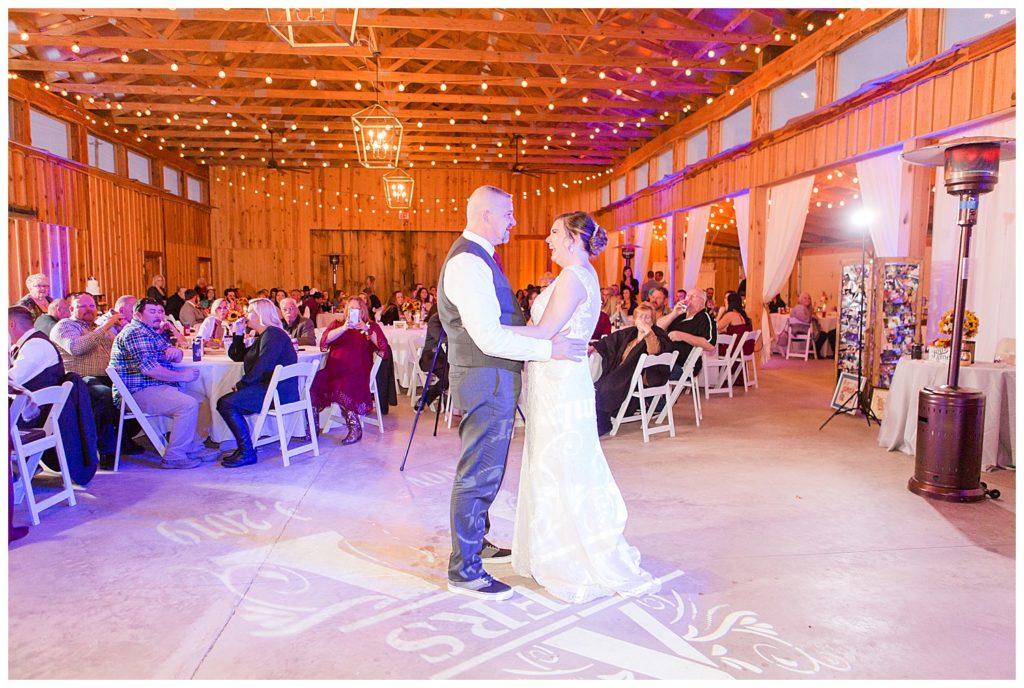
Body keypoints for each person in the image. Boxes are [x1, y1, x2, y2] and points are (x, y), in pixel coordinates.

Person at [437, 186, 586, 601]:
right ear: (486, 215)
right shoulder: (468, 261)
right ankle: (464, 569)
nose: (513, 222)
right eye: (508, 214)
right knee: (478, 472)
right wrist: (546, 349)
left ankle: (477, 543)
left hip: (492, 377)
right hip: (486, 377)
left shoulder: (478, 257)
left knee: (488, 468)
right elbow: (487, 336)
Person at [502, 211, 660, 603]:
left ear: (573, 237)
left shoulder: (573, 278)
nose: (548, 239)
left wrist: (488, 330)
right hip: (556, 379)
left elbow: (542, 332)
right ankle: (546, 548)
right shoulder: (579, 274)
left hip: (559, 384)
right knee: (554, 461)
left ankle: (565, 554)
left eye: (554, 232)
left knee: (561, 465)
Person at [109, 298, 213, 469]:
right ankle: (174, 456)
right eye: (152, 311)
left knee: (202, 399)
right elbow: (150, 370)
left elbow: (178, 355)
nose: (158, 315)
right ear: (138, 315)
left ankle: (192, 447)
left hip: (154, 386)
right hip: (137, 391)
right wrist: (182, 376)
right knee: (187, 404)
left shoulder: (151, 332)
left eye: (160, 311)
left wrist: (175, 352)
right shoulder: (135, 333)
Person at [50, 292, 144, 468]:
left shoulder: (98, 327)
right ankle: (107, 450)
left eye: (92, 306)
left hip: (111, 376)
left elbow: (119, 350)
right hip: (80, 379)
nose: (89, 310)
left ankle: (124, 438)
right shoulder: (64, 326)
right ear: (71, 309)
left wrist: (123, 329)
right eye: (82, 306)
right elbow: (76, 347)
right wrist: (106, 325)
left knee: (138, 390)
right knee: (104, 396)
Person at [215, 298, 299, 468]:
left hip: (276, 392)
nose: (246, 315)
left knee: (225, 403)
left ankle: (247, 451)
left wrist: (242, 385)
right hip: (270, 388)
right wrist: (237, 333)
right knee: (226, 402)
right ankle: (245, 449)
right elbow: (238, 356)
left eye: (250, 311)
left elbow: (264, 365)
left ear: (260, 314)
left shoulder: (273, 335)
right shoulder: (266, 335)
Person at [310, 296, 390, 445]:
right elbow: (324, 340)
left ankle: (355, 427)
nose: (354, 312)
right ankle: (313, 428)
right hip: (333, 370)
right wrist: (344, 328)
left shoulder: (370, 327)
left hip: (357, 372)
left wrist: (366, 329)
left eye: (358, 309)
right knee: (312, 384)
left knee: (343, 385)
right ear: (347, 310)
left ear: (363, 311)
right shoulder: (337, 324)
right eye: (351, 309)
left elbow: (383, 347)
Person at [592, 303, 673, 436]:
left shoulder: (659, 334)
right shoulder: (630, 333)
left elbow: (655, 350)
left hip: (638, 376)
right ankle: (597, 418)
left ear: (653, 320)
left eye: (647, 317)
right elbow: (610, 341)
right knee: (599, 383)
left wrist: (648, 332)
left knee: (607, 386)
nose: (643, 320)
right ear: (634, 319)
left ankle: (603, 422)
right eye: (640, 317)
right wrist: (595, 347)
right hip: (621, 371)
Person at [657, 289, 717, 377]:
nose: (689, 299)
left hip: (683, 366)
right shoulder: (680, 315)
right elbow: (658, 327)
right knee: (639, 366)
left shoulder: (704, 318)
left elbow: (710, 345)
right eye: (688, 296)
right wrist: (674, 314)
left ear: (702, 302)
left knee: (644, 371)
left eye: (693, 297)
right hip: (665, 360)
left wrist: (681, 336)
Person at [9, 306, 65, 392]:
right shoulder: (27, 344)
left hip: (41, 404)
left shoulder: (36, 345)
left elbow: (12, 380)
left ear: (11, 324)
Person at [716, 291, 756, 374]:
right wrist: (725, 330)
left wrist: (720, 313)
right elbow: (737, 330)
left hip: (733, 350)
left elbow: (715, 327)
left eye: (726, 302)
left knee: (711, 347)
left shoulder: (730, 314)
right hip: (742, 348)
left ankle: (713, 377)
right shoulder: (742, 315)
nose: (725, 304)